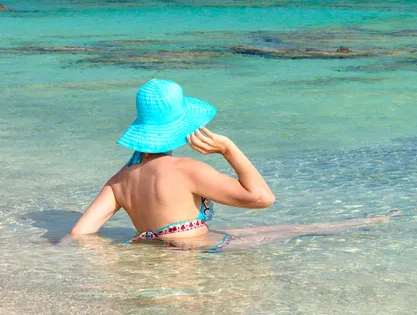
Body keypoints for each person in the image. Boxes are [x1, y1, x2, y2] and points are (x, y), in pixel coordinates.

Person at [70, 79, 398, 252]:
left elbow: (80, 233)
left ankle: (365, 222)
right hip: (200, 254)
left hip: (163, 253)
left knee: (272, 231)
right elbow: (262, 198)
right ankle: (370, 222)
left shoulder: (120, 180)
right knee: (295, 229)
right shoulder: (187, 169)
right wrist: (229, 149)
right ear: (180, 128)